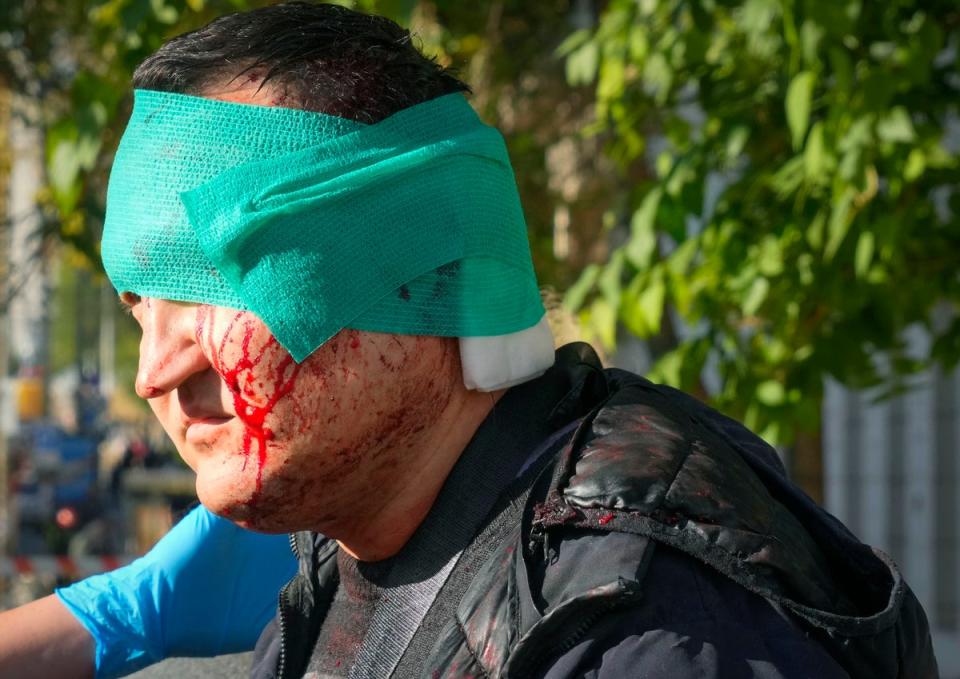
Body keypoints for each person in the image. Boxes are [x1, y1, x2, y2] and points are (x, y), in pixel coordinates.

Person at [0, 2, 940, 677]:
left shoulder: (641, 626)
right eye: (137, 306)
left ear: (423, 262)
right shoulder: (355, 539)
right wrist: (113, 621)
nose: (157, 369)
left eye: (218, 283)